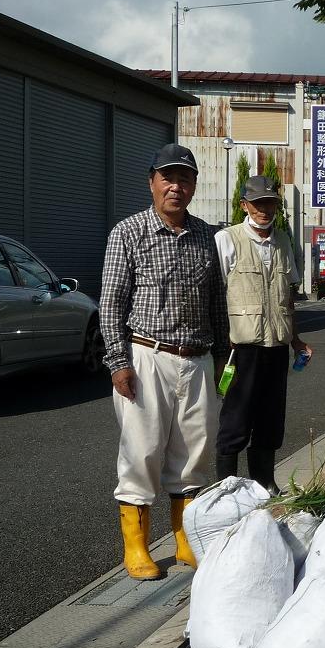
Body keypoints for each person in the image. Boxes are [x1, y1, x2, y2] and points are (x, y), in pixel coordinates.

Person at [100, 143, 228, 580]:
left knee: (195, 452)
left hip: (197, 359)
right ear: (152, 182)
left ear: (194, 185)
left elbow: (217, 304)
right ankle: (135, 548)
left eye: (185, 178)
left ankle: (185, 539)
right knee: (142, 450)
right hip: (146, 356)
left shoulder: (206, 235)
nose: (177, 186)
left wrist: (223, 359)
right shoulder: (128, 233)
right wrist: (118, 361)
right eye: (168, 178)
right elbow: (111, 305)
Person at [213, 175, 312, 488]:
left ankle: (265, 484)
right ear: (245, 205)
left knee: (270, 418)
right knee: (236, 419)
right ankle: (228, 488)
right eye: (257, 203)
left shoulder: (283, 240)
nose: (263, 209)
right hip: (241, 346)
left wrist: (295, 339)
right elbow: (214, 293)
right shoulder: (227, 239)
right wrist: (218, 341)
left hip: (277, 346)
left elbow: (288, 297)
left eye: (269, 202)